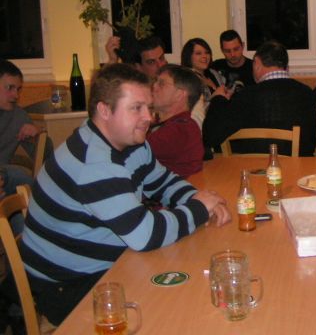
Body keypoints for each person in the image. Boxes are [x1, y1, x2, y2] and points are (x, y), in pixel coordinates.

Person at [20, 63, 231, 326]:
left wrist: (198, 198)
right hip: (66, 284)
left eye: (148, 107)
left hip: (106, 263)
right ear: (104, 110)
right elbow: (145, 234)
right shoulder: (94, 163)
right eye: (136, 108)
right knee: (175, 309)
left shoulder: (131, 143)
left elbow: (162, 181)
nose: (148, 117)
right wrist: (199, 208)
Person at [202, 40, 316, 156]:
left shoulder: (246, 96)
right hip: (297, 165)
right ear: (287, 68)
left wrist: (218, 100)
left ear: (257, 65)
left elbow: (210, 136)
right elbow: (311, 143)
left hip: (252, 166)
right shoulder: (307, 93)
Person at [0, 60, 47, 201]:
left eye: (18, 89)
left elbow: (45, 156)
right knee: (16, 174)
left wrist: (38, 132)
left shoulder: (19, 116)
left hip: (4, 180)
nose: (16, 95)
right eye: (10, 88)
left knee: (17, 178)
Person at [148, 64, 204, 177]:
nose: (154, 86)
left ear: (179, 94)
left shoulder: (180, 129)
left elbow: (127, 152)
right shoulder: (178, 124)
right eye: (155, 81)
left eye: (161, 83)